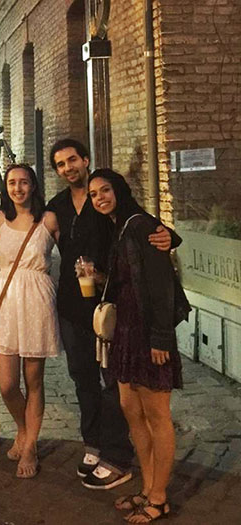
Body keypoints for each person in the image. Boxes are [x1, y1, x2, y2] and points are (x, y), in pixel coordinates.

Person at [47, 138, 180, 490]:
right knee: (84, 379)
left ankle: (117, 456)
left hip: (117, 311)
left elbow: (149, 231)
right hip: (77, 306)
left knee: (116, 387)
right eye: (60, 164)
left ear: (85, 159)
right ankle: (94, 446)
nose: (67, 167)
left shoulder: (112, 207)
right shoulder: (58, 204)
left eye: (72, 160)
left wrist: (170, 236)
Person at [88, 169, 189, 523]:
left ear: (119, 191)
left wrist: (161, 337)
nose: (100, 197)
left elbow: (162, 282)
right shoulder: (120, 227)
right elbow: (128, 278)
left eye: (105, 190)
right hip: (127, 332)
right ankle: (147, 487)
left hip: (148, 331)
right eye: (94, 194)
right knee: (132, 410)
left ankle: (159, 498)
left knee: (157, 415)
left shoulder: (142, 225)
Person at [0, 163, 61, 479]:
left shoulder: (47, 220)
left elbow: (73, 252)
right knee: (7, 383)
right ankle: (23, 428)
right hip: (5, 300)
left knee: (33, 379)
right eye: (11, 182)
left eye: (23, 182)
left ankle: (30, 444)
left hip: (36, 299)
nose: (17, 188)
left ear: (33, 186)